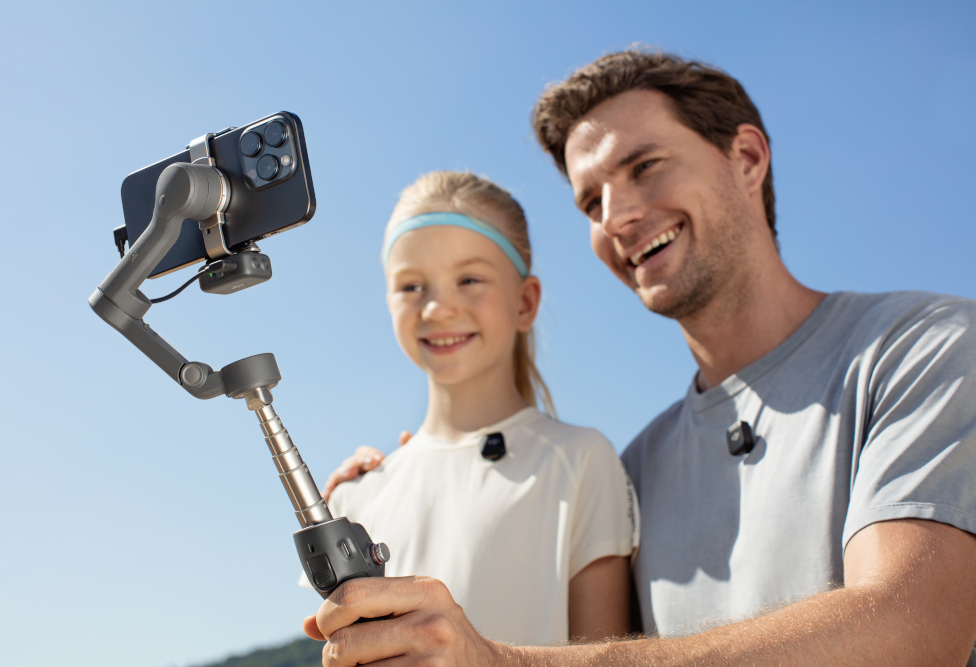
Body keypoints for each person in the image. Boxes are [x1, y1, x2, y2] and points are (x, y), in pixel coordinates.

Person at [304, 50, 976, 666]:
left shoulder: (925, 348)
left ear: (746, 158)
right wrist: (412, 477)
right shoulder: (636, 470)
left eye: (644, 167)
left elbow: (911, 630)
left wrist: (501, 662)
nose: (617, 215)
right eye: (591, 201)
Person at [302, 171, 639, 646]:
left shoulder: (580, 460)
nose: (437, 308)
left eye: (469, 279)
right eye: (411, 286)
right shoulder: (356, 496)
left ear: (526, 302)